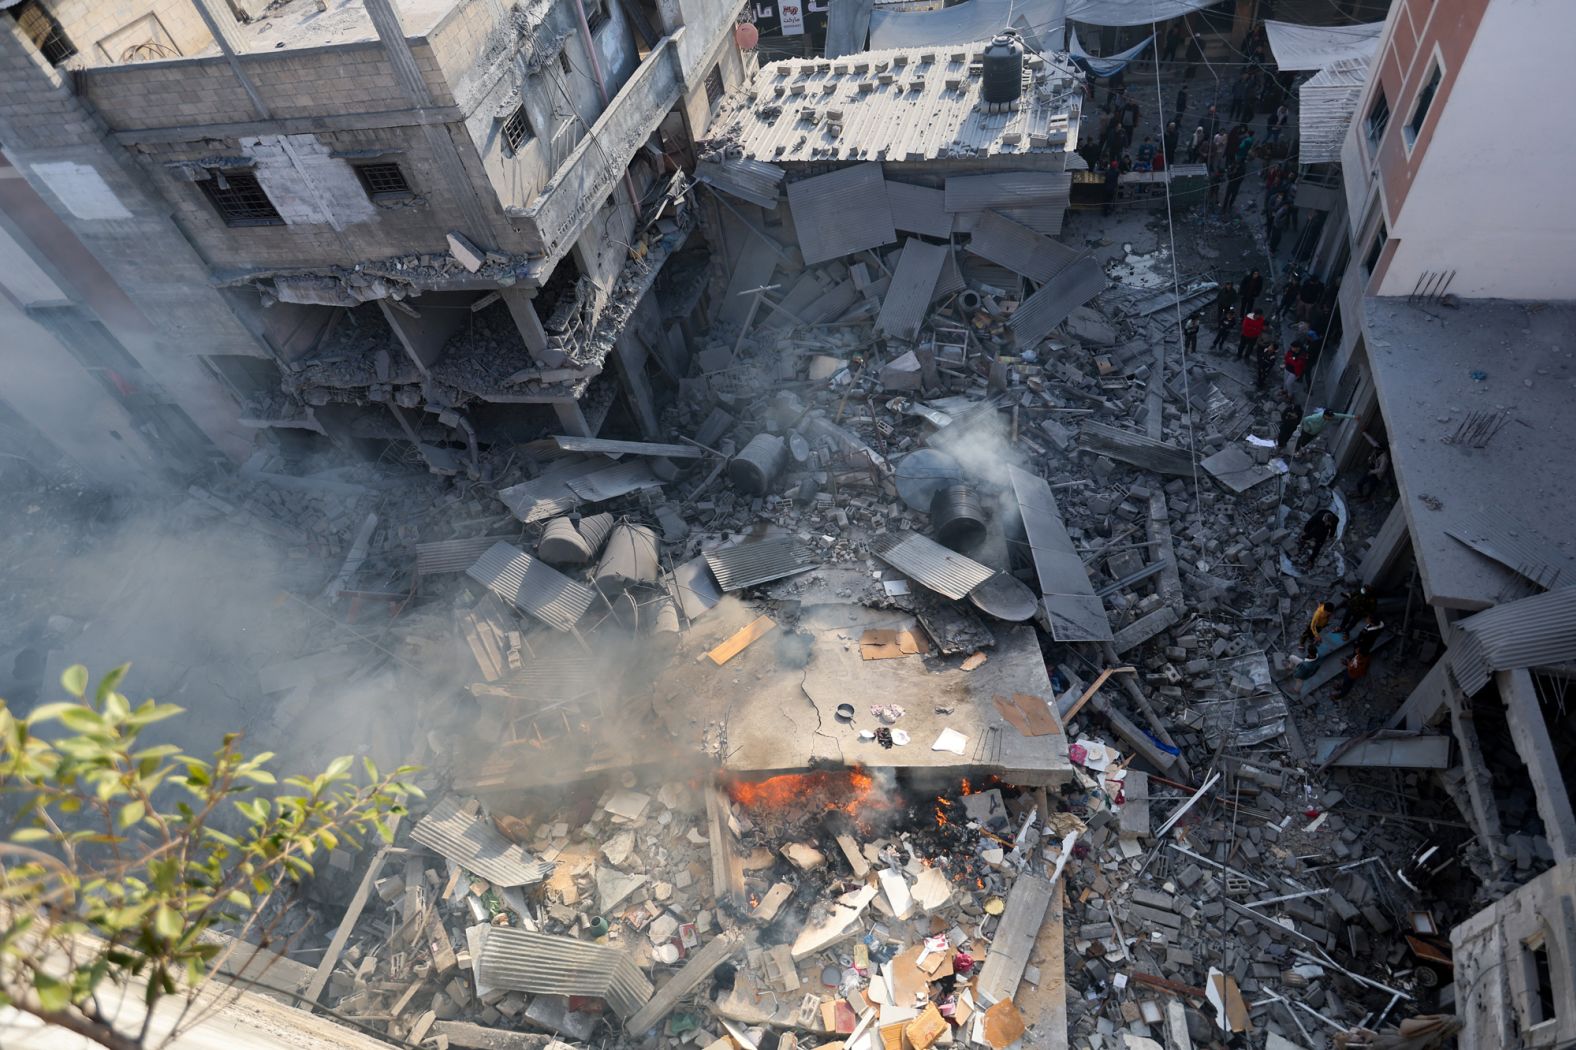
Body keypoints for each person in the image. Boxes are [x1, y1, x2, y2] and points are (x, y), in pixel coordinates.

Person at [1354, 431, 1390, 498]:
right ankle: (1360, 494)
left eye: (1378, 449)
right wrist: (1364, 433)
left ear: (1382, 450)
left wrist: (1372, 472)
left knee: (1371, 487)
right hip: (1372, 469)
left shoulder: (1384, 458)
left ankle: (1366, 497)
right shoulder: (1378, 448)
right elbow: (1372, 441)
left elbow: (1381, 469)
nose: (1376, 449)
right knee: (1360, 482)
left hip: (1376, 475)